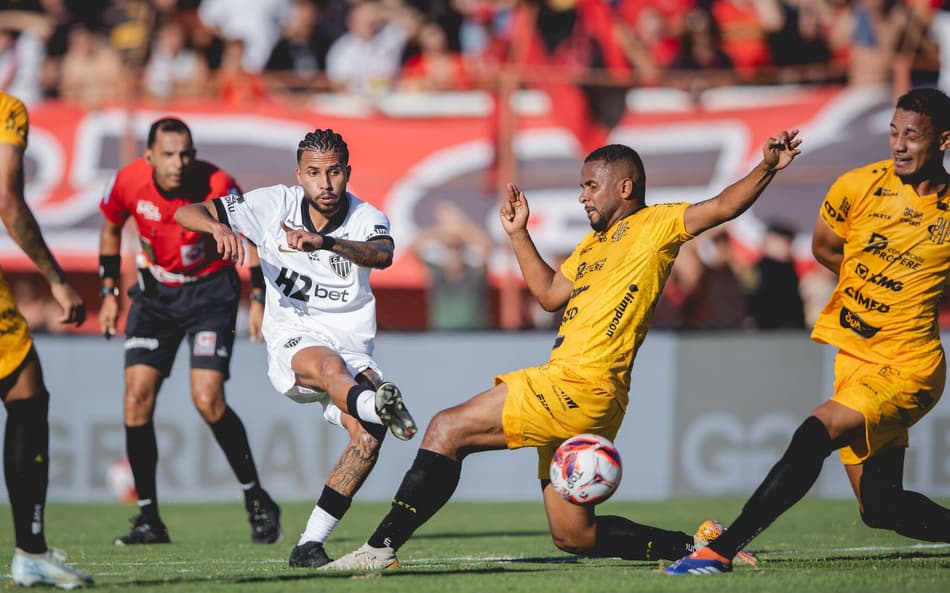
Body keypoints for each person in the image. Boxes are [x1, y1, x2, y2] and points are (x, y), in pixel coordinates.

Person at [318, 129, 802, 571]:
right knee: (574, 535)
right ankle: (700, 547)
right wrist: (518, 234)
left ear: (624, 188)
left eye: (591, 185)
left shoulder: (656, 226)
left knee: (448, 428)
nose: (582, 195)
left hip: (582, 382)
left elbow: (721, 207)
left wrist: (766, 167)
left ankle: (380, 548)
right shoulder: (590, 247)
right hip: (578, 386)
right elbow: (549, 293)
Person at [666, 87, 950, 575]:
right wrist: (871, 287)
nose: (899, 145)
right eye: (894, 133)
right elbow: (825, 248)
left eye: (913, 135)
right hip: (853, 362)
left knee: (814, 433)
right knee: (881, 509)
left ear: (943, 141)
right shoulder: (856, 186)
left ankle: (721, 550)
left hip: (909, 368)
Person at [174, 128, 418, 568]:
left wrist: (323, 242)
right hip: (295, 337)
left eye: (334, 173)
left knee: (367, 440)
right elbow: (186, 212)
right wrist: (215, 227)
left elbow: (382, 255)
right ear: (298, 175)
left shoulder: (366, 216)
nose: (325, 184)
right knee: (329, 367)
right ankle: (374, 404)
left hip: (352, 344)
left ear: (348, 172)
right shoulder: (273, 205)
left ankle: (308, 544)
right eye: (313, 173)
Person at [98, 117, 281, 546]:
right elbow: (110, 227)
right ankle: (149, 520)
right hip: (156, 296)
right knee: (136, 397)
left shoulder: (218, 183)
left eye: (185, 153)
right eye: (168, 154)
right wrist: (108, 291)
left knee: (208, 399)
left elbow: (250, 237)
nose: (178, 162)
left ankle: (256, 497)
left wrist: (258, 298)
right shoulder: (128, 181)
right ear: (149, 156)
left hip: (210, 295)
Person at [0, 91, 93, 588]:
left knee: (26, 388)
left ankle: (32, 552)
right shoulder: (6, 110)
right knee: (26, 397)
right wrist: (56, 278)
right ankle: (31, 551)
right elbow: (8, 202)